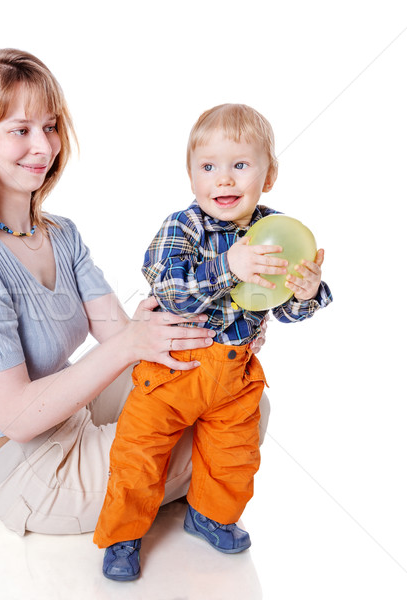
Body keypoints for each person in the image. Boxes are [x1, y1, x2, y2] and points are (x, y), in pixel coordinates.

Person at [0, 48, 236, 537]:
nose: (43, 146)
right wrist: (134, 343)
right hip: (29, 471)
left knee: (235, 392)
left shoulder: (61, 233)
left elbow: (124, 336)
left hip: (74, 413)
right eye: (19, 130)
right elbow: (18, 418)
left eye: (49, 126)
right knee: (221, 434)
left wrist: (221, 337)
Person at [93, 103, 333, 581]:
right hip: (172, 372)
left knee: (234, 455)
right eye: (209, 167)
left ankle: (208, 514)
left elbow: (281, 307)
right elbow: (171, 291)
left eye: (240, 165)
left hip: (234, 376)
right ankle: (122, 534)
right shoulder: (183, 227)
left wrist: (305, 292)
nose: (223, 180)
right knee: (139, 454)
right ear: (191, 177)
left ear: (269, 176)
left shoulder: (274, 232)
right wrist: (228, 267)